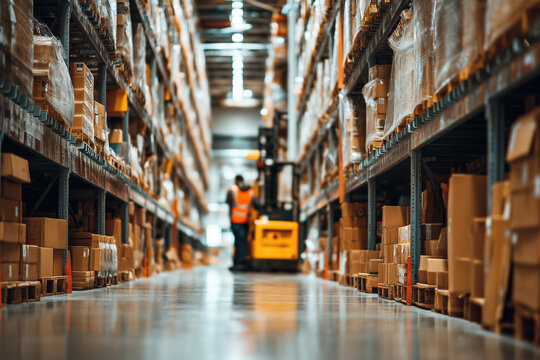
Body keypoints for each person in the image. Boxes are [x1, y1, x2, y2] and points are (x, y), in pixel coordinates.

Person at [226, 174, 254, 271]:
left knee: (238, 242)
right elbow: (256, 203)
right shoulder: (251, 191)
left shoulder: (232, 190)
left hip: (235, 220)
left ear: (236, 180)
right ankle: (240, 261)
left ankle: (239, 262)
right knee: (242, 242)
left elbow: (228, 202)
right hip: (245, 221)